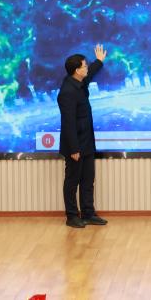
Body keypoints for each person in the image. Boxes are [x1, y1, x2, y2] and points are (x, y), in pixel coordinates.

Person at [58, 44, 108, 228]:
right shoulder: (67, 92)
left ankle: (88, 213)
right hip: (75, 146)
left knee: (88, 180)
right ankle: (72, 216)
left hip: (87, 142)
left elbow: (91, 73)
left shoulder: (79, 82)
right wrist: (74, 148)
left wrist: (99, 61)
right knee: (72, 181)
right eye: (84, 66)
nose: (87, 68)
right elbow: (68, 123)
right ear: (77, 70)